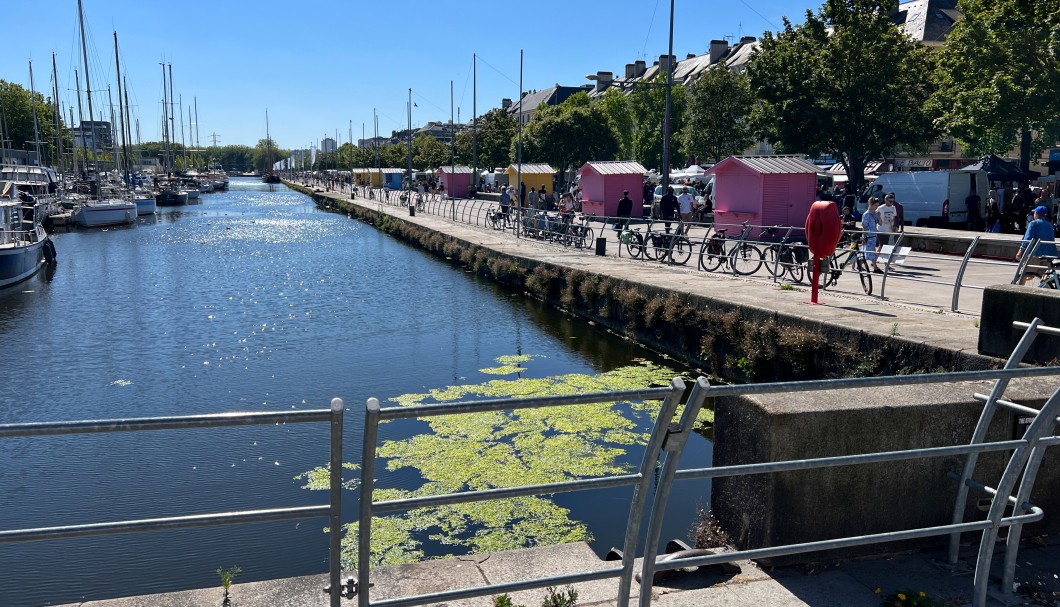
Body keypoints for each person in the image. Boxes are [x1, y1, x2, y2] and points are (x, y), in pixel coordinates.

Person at [1016, 205, 1058, 273]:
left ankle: (1018, 283)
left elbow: (1027, 238)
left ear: (1037, 214)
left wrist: (1020, 252)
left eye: (1034, 213)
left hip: (1035, 254)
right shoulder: (1049, 225)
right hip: (1049, 254)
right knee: (1044, 276)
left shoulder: (1033, 224)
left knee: (1025, 274)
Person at [861, 198, 882, 273]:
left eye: (877, 205)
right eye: (875, 205)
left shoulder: (874, 214)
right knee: (869, 251)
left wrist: (879, 216)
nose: (876, 207)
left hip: (873, 235)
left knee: (869, 251)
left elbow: (880, 223)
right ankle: (875, 267)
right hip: (869, 235)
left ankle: (860, 264)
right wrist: (865, 236)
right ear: (871, 205)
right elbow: (864, 226)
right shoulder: (866, 214)